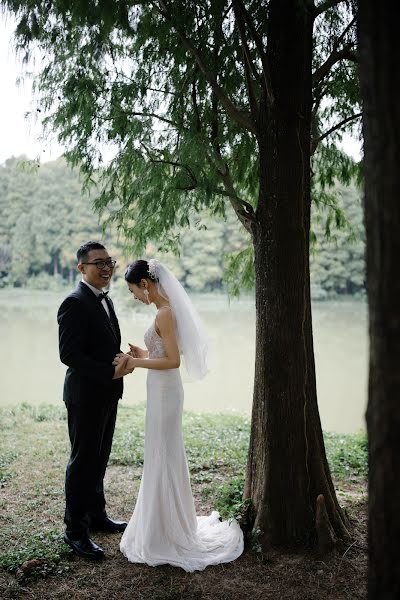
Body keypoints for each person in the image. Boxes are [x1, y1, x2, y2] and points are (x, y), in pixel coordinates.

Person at [114, 258, 244, 572]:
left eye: (134, 290)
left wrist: (133, 364)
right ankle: (162, 521)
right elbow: (167, 352)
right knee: (161, 452)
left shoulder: (166, 313)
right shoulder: (166, 311)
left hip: (166, 391)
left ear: (145, 284)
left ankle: (165, 530)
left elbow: (173, 361)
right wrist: (144, 354)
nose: (134, 297)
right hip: (160, 389)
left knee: (162, 452)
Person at [57, 241, 132, 560]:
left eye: (109, 262)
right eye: (97, 263)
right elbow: (69, 355)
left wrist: (123, 361)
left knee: (99, 457)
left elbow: (102, 344)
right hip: (85, 395)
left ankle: (97, 516)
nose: (106, 268)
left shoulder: (105, 300)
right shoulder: (74, 302)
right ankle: (75, 531)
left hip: (107, 393)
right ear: (81, 268)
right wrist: (108, 372)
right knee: (83, 461)